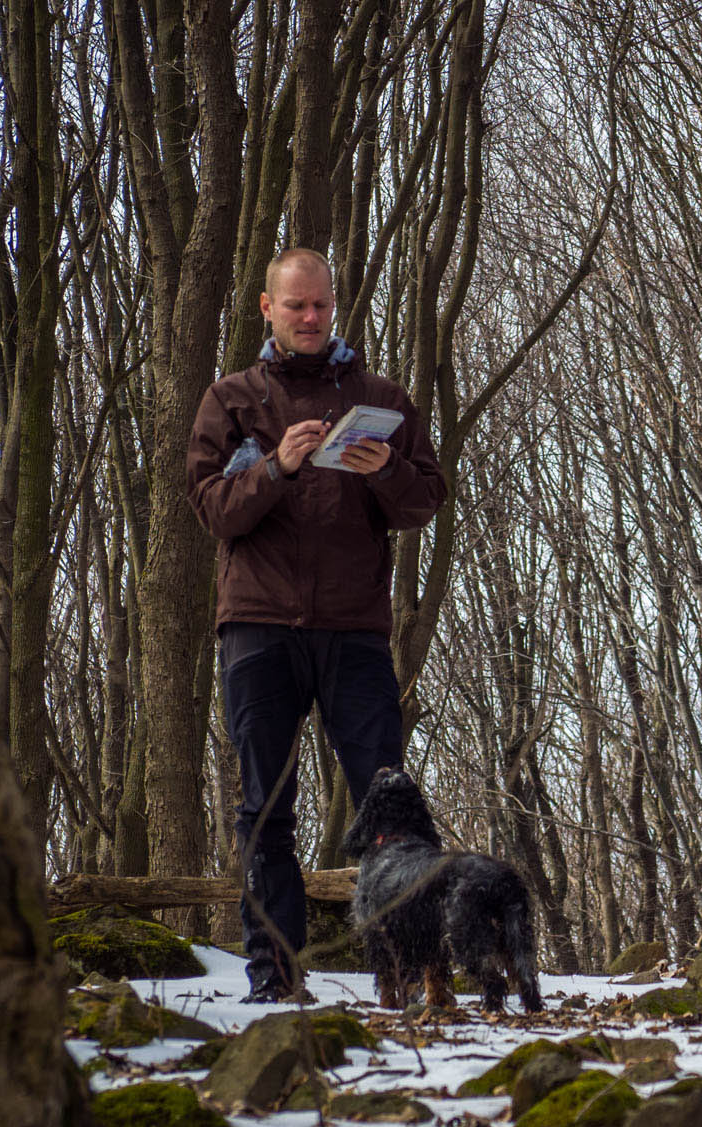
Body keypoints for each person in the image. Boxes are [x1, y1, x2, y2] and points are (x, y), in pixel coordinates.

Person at [186, 247, 446, 1001]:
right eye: (295, 306)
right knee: (265, 805)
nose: (310, 318)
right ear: (265, 308)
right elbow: (211, 510)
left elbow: (425, 501)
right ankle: (275, 978)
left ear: (335, 306)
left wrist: (383, 469)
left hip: (354, 630)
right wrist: (276, 469)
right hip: (258, 628)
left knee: (388, 801)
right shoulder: (230, 400)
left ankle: (402, 972)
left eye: (321, 306)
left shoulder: (380, 396)